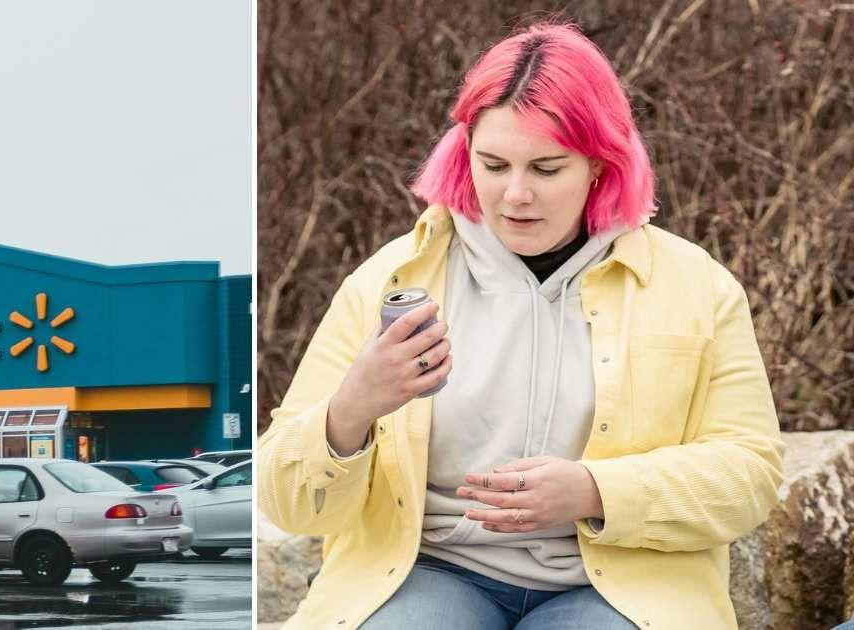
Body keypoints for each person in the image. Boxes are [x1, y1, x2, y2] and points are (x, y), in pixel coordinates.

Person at [257, 21, 785, 630]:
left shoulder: (698, 287)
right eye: (493, 164)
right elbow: (284, 500)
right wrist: (351, 409)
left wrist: (596, 491)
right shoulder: (387, 282)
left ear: (599, 164)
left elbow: (750, 474)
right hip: (425, 570)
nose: (514, 195)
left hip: (620, 585)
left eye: (546, 168)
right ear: (465, 154)